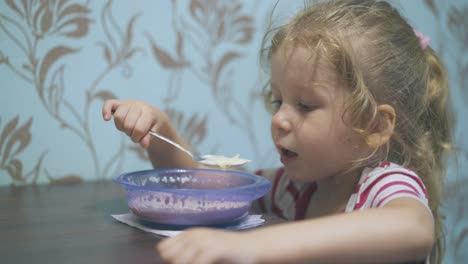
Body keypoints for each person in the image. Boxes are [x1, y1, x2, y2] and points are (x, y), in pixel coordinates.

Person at [102, 0, 453, 263]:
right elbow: (202, 187)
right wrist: (160, 128)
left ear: (374, 126)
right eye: (278, 100)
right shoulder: (294, 188)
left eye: (305, 105)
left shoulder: (384, 184)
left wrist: (252, 245)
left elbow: (413, 228)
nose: (279, 119)